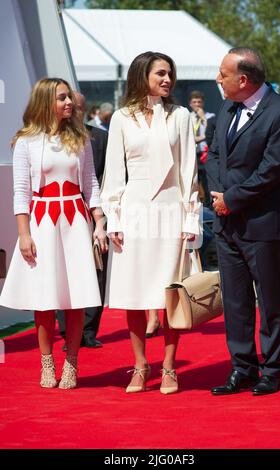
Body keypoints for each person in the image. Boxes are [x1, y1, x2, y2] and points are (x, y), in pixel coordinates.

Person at [100, 51, 201, 394]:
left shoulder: (181, 116)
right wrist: (113, 217)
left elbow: (189, 170)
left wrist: (191, 219)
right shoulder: (121, 118)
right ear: (142, 75)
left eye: (170, 74)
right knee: (133, 292)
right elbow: (114, 171)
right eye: (160, 73)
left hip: (171, 209)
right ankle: (140, 366)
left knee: (171, 292)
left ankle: (170, 367)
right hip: (134, 209)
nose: (167, 80)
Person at [0, 78, 104, 389]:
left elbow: (91, 185)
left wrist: (99, 222)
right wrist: (24, 234)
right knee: (44, 300)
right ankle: (47, 363)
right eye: (62, 98)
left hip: (75, 223)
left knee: (76, 299)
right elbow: (20, 193)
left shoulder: (80, 139)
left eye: (69, 98)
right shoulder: (26, 142)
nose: (69, 103)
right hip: (42, 224)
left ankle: (71, 363)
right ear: (47, 101)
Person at [206, 47, 280, 396]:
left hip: (261, 224)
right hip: (226, 222)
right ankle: (242, 368)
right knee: (235, 301)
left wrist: (232, 199)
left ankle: (271, 370)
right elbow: (214, 155)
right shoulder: (228, 106)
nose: (218, 79)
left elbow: (272, 170)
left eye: (223, 73)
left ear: (242, 79)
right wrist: (220, 196)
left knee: (270, 301)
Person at [57, 91, 109, 350]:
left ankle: (88, 330)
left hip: (95, 211)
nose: (72, 111)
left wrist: (101, 215)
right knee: (63, 271)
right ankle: (67, 330)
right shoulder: (49, 138)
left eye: (77, 107)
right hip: (60, 212)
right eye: (69, 106)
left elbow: (106, 175)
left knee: (96, 271)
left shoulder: (99, 137)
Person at [189, 91, 215, 207]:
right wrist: (202, 137)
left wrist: (203, 118)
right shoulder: (188, 117)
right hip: (193, 153)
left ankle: (208, 204)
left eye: (199, 102)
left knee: (206, 181)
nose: (197, 104)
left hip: (205, 153)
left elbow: (210, 133)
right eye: (194, 102)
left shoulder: (210, 117)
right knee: (193, 181)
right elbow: (189, 136)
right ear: (190, 104)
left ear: (203, 103)